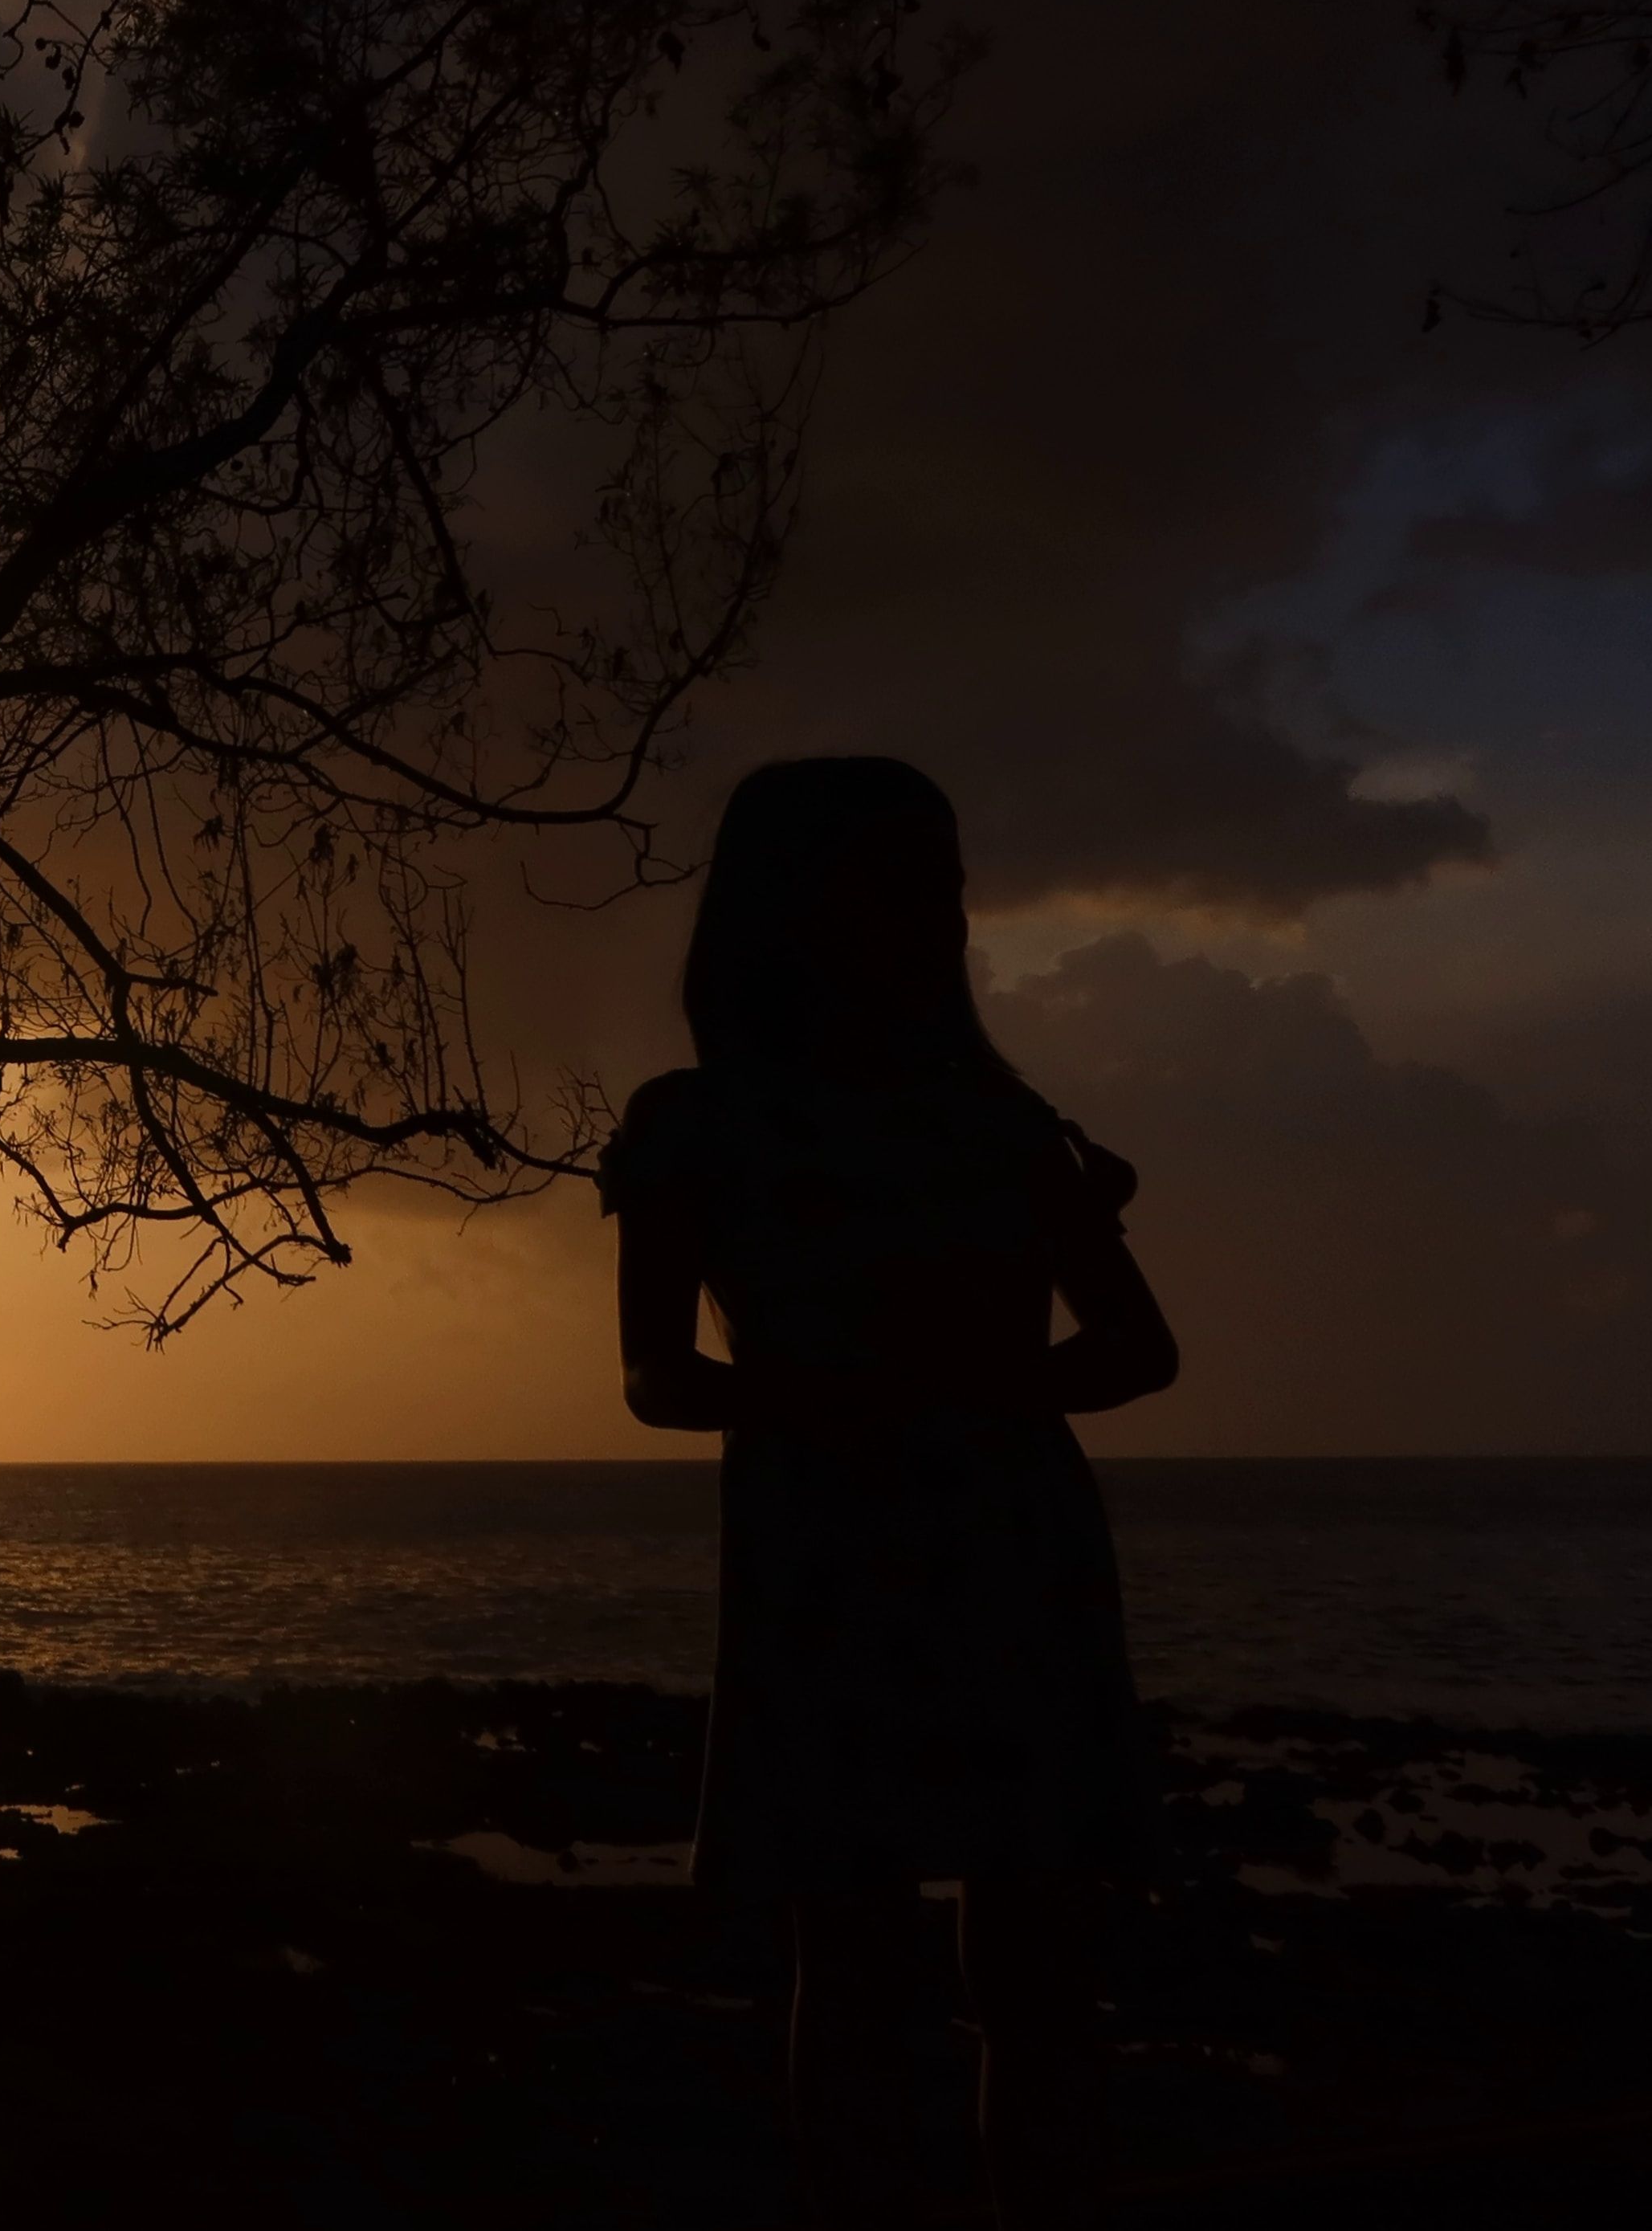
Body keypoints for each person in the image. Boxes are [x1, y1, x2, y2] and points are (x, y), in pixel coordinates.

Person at [601, 757, 1181, 2229]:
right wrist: (859, 1398)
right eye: (900, 882)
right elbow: (657, 1372)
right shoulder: (700, 1123)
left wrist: (926, 1395)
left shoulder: (994, 1118)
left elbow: (1138, 1345)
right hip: (841, 1549)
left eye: (943, 886)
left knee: (1027, 1956)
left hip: (977, 1542)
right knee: (855, 1955)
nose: (934, 916)